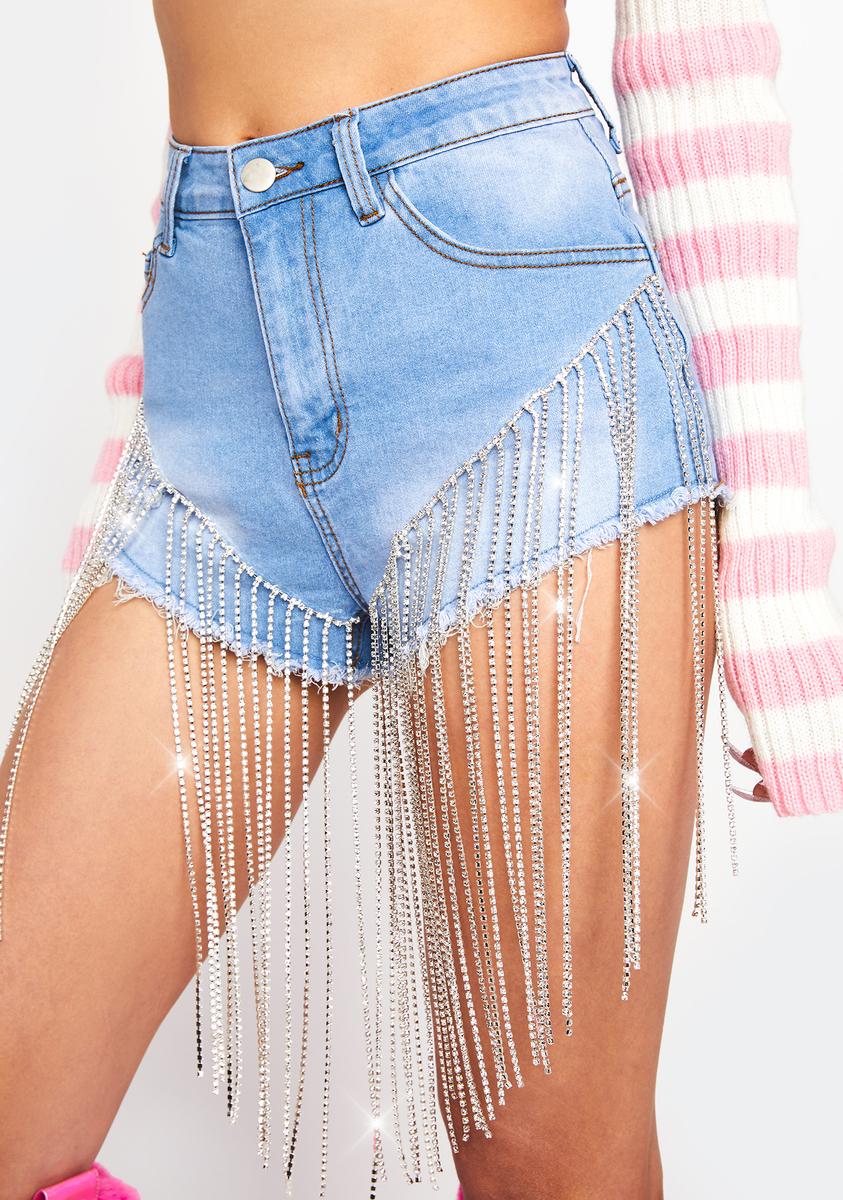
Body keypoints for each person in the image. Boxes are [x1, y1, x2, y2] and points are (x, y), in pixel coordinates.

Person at [3, 2, 841, 1198]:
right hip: (212, 364)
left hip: (517, 345)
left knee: (549, 1167)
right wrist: (158, 405)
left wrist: (774, 560)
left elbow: (695, 46)